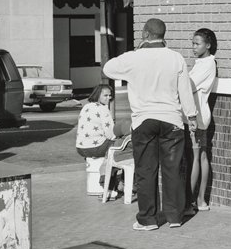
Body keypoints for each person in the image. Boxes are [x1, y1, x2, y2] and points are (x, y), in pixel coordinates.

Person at [103, 18, 197, 231]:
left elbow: (108, 68)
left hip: (143, 121)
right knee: (173, 169)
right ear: (164, 35)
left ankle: (148, 219)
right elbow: (184, 91)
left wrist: (137, 50)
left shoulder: (133, 58)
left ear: (145, 34)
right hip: (171, 121)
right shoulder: (176, 58)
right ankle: (174, 217)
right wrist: (191, 117)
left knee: (146, 170)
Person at [75, 84, 125, 197]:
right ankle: (111, 186)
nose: (108, 98)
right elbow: (111, 133)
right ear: (98, 95)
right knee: (119, 148)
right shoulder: (103, 109)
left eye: (110, 96)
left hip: (81, 148)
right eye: (105, 95)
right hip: (96, 147)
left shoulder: (86, 107)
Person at [188, 27, 218, 211]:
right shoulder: (200, 63)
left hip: (197, 117)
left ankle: (196, 201)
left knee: (197, 157)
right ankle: (199, 200)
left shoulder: (207, 64)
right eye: (192, 43)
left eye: (197, 44)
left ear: (208, 45)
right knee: (200, 156)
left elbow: (188, 85)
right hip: (196, 116)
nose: (193, 47)